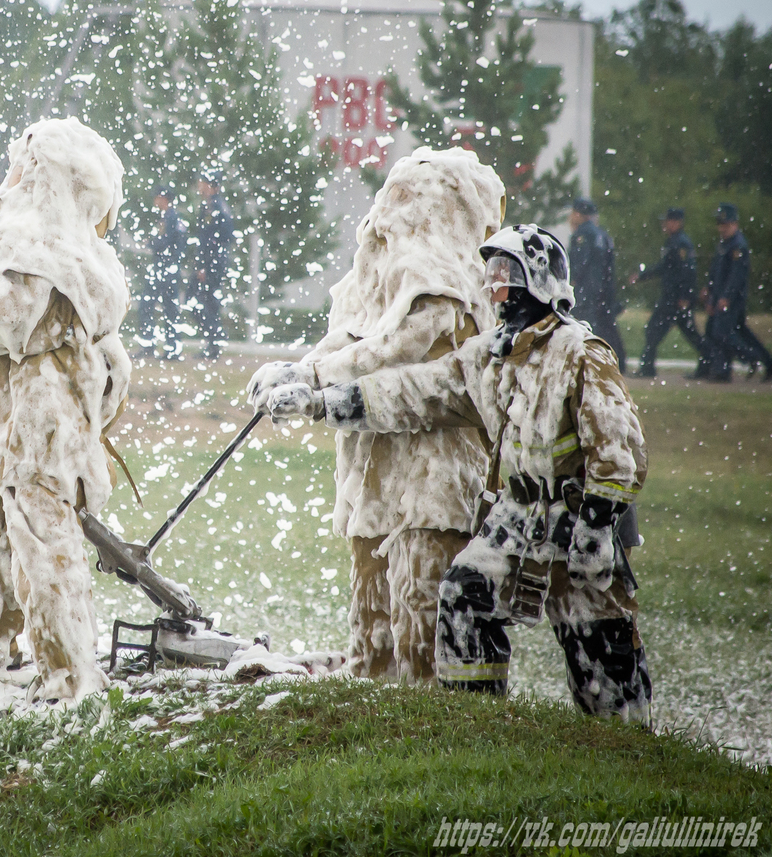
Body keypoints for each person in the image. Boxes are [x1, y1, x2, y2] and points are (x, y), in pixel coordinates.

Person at [262, 224, 651, 723]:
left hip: (579, 519)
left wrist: (598, 525)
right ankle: (475, 725)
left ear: (539, 280)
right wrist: (321, 403)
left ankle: (629, 742)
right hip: (516, 517)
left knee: (599, 643)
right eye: (490, 274)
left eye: (506, 274)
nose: (494, 286)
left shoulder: (579, 353)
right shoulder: (486, 357)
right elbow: (411, 392)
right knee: (465, 593)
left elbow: (621, 447)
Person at [247, 147, 505, 683]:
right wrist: (302, 367)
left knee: (420, 615)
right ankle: (373, 701)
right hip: (374, 479)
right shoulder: (386, 278)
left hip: (432, 485)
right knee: (371, 616)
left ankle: (421, 724)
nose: (390, 222)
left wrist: (316, 381)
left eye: (406, 208)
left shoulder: (448, 289)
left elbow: (398, 347)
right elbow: (360, 336)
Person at [0, 117, 132, 702]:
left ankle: (68, 677)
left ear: (44, 177)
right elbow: (50, 351)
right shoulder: (83, 256)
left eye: (20, 167)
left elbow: (6, 328)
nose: (7, 181)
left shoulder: (35, 251)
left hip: (38, 427)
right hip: (36, 419)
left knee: (44, 542)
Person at [695, 203, 771, 382]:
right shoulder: (724, 244)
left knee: (722, 333)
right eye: (720, 224)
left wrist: (726, 297)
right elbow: (716, 271)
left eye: (726, 224)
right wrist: (710, 289)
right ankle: (761, 362)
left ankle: (748, 359)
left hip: (731, 299)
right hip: (721, 296)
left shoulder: (738, 246)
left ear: (734, 224)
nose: (722, 228)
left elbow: (736, 276)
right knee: (737, 332)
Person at [630, 207, 701, 377]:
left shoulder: (681, 243)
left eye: (668, 220)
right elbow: (665, 267)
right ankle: (711, 364)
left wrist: (684, 296)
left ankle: (647, 368)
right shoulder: (673, 242)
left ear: (677, 222)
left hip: (675, 297)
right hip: (672, 296)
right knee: (688, 333)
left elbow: (687, 271)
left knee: (654, 330)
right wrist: (642, 276)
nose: (665, 224)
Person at [567, 196, 626, 374]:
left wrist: (573, 280)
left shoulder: (582, 235)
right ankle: (620, 361)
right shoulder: (602, 235)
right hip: (603, 290)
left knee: (586, 326)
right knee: (607, 326)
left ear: (578, 214)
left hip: (587, 290)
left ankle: (586, 361)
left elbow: (580, 263)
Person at [189, 171, 235, 359]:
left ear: (213, 186)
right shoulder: (209, 206)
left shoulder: (216, 208)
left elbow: (215, 241)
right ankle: (214, 340)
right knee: (201, 302)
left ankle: (214, 344)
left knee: (207, 303)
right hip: (210, 263)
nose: (200, 186)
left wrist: (206, 267)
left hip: (212, 264)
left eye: (204, 183)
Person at [139, 185, 186, 359]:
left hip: (165, 269)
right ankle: (167, 347)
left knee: (154, 306)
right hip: (165, 268)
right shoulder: (168, 217)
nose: (155, 201)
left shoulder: (171, 218)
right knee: (166, 308)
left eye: (157, 197)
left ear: (164, 199)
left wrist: (151, 243)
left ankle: (158, 346)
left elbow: (169, 244)